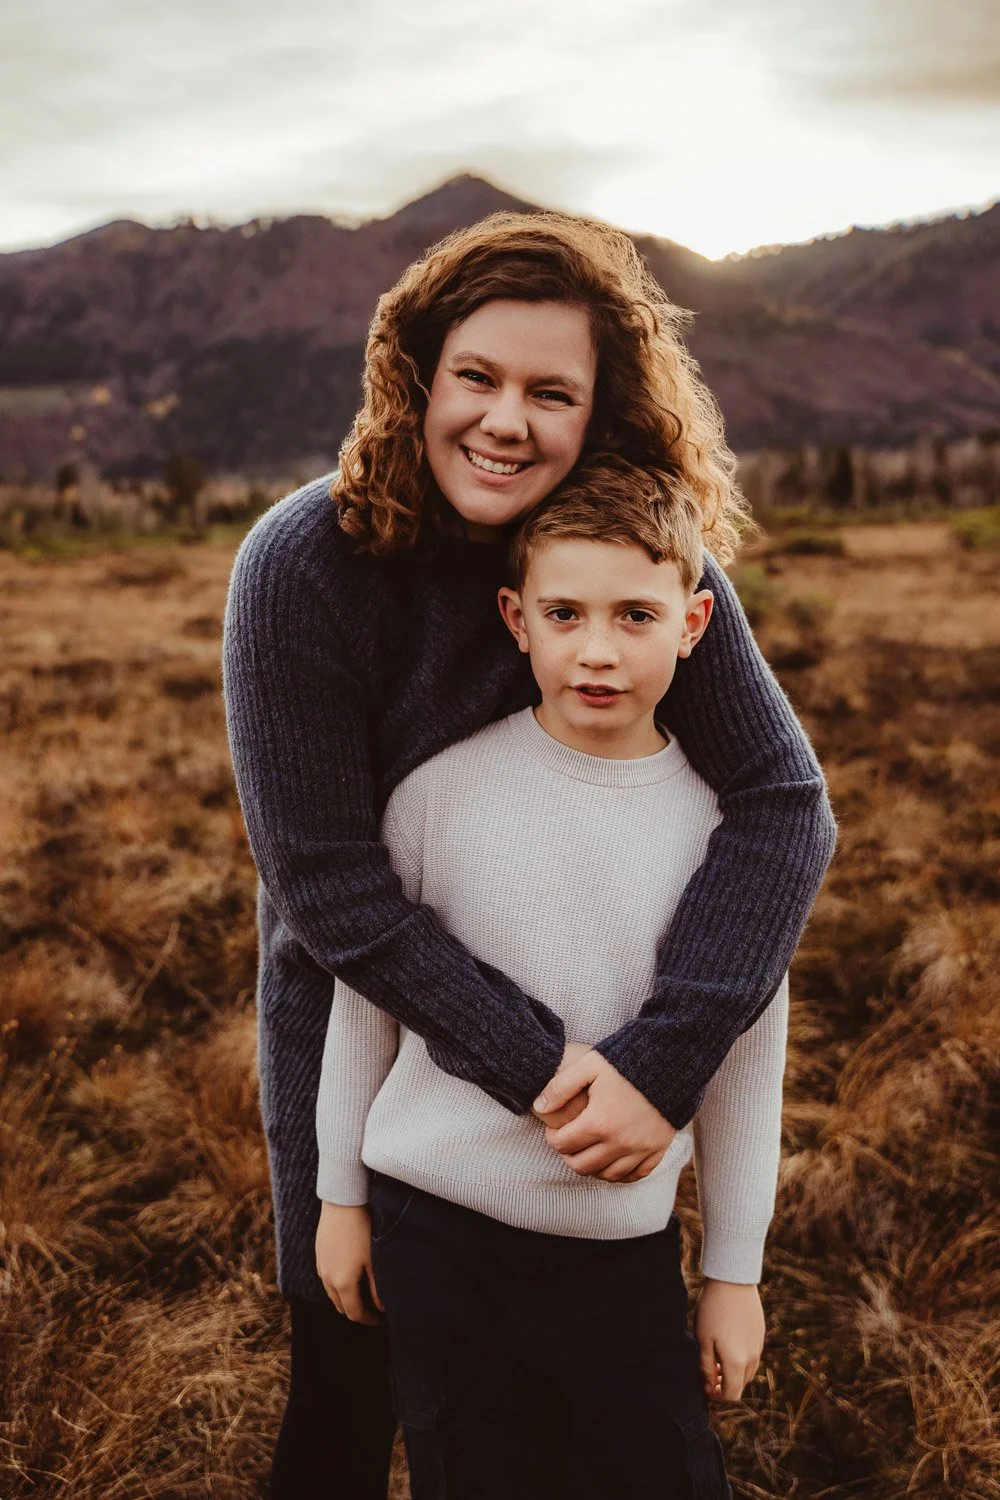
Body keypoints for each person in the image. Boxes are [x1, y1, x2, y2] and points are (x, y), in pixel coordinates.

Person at [221, 210, 836, 1498]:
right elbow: (332, 896)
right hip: (378, 1051)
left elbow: (783, 802)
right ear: (418, 379)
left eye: (550, 393)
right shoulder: (302, 566)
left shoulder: (625, 558)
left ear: (599, 411)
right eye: (477, 379)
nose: (506, 421)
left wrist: (661, 1066)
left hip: (605, 1107)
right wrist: (557, 1078)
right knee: (344, 1396)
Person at [314, 455, 789, 1499]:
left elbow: (745, 1065)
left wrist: (732, 1273)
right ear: (515, 617)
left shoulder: (731, 835)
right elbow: (367, 1006)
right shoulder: (436, 796)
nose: (597, 651)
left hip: (617, 1255)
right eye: (565, 613)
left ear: (695, 623)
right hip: (434, 1234)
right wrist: (338, 1198)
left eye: (634, 616)